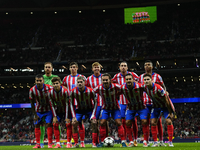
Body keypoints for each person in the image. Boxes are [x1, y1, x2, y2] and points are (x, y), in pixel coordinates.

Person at [138, 60, 168, 146]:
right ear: (144, 67)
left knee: (157, 122)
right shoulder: (140, 77)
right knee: (145, 121)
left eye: (149, 65)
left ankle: (161, 141)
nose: (147, 66)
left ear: (152, 67)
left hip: (156, 103)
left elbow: (163, 87)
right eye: (145, 65)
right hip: (145, 103)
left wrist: (166, 93)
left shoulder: (158, 77)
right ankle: (145, 141)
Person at [94, 73, 127, 147]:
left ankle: (123, 142)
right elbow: (91, 92)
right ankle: (102, 142)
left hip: (115, 108)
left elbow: (124, 89)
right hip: (105, 108)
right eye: (103, 80)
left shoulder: (115, 86)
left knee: (118, 122)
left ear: (110, 80)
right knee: (102, 123)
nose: (105, 81)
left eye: (106, 80)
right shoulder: (99, 88)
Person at [143, 74, 175, 147]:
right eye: (145, 80)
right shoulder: (144, 87)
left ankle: (170, 142)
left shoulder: (158, 88)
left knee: (169, 121)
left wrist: (171, 112)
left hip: (165, 106)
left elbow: (166, 100)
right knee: (153, 122)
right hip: (156, 106)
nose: (146, 81)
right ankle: (155, 142)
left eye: (148, 79)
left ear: (152, 80)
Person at [112, 61, 139, 146]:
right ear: (119, 67)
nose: (123, 67)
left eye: (125, 66)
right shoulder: (116, 76)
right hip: (122, 103)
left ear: (127, 67)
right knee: (124, 122)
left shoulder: (133, 75)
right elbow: (112, 85)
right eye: (121, 66)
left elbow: (139, 84)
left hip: (132, 102)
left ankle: (135, 139)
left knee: (133, 121)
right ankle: (126, 140)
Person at [62, 62, 87, 148]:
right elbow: (63, 87)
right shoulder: (66, 78)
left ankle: (82, 142)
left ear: (77, 68)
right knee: (70, 124)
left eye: (74, 67)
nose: (73, 68)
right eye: (71, 67)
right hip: (70, 104)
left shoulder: (82, 77)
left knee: (80, 123)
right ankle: (72, 142)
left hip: (80, 104)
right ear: (69, 68)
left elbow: (86, 88)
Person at [120, 73, 149, 147]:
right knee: (127, 122)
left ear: (133, 79)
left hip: (141, 107)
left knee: (144, 121)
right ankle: (131, 142)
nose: (129, 80)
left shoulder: (140, 86)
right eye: (127, 79)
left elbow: (149, 89)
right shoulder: (122, 88)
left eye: (130, 79)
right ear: (125, 80)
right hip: (131, 108)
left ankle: (146, 141)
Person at [29, 74, 56, 148]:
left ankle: (50, 143)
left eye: (40, 80)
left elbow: (54, 97)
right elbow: (31, 103)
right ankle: (38, 144)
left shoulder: (49, 88)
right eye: (37, 81)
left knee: (48, 124)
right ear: (35, 81)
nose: (39, 82)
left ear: (43, 81)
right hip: (39, 109)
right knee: (37, 124)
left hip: (48, 109)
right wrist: (35, 115)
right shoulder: (32, 90)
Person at [70, 76, 98, 148]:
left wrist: (93, 115)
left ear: (84, 83)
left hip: (89, 109)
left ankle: (94, 143)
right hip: (79, 110)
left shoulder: (90, 91)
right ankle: (76, 143)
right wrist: (73, 116)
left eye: (81, 82)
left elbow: (95, 103)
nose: (79, 83)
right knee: (74, 123)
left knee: (94, 123)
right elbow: (71, 104)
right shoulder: (73, 91)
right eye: (78, 82)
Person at [39, 62, 59, 148]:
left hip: (54, 105)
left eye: (49, 67)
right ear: (44, 68)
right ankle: (41, 142)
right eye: (46, 67)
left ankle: (59, 141)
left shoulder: (55, 78)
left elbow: (59, 89)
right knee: (42, 123)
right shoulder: (41, 78)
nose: (47, 68)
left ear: (52, 68)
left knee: (56, 122)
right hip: (43, 105)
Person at [48, 77, 70, 148]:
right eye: (54, 84)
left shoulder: (65, 91)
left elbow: (67, 104)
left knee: (68, 124)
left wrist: (67, 117)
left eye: (57, 83)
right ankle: (58, 143)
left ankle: (69, 143)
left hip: (67, 109)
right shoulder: (50, 93)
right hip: (59, 110)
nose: (55, 85)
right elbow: (51, 105)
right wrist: (54, 116)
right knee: (55, 124)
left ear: (60, 84)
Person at [85, 62, 104, 144]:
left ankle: (104, 140)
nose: (96, 68)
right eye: (95, 67)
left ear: (100, 68)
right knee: (94, 123)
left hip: (103, 103)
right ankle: (95, 142)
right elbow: (86, 90)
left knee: (104, 122)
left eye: (98, 67)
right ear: (92, 69)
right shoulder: (88, 79)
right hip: (94, 104)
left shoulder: (104, 77)